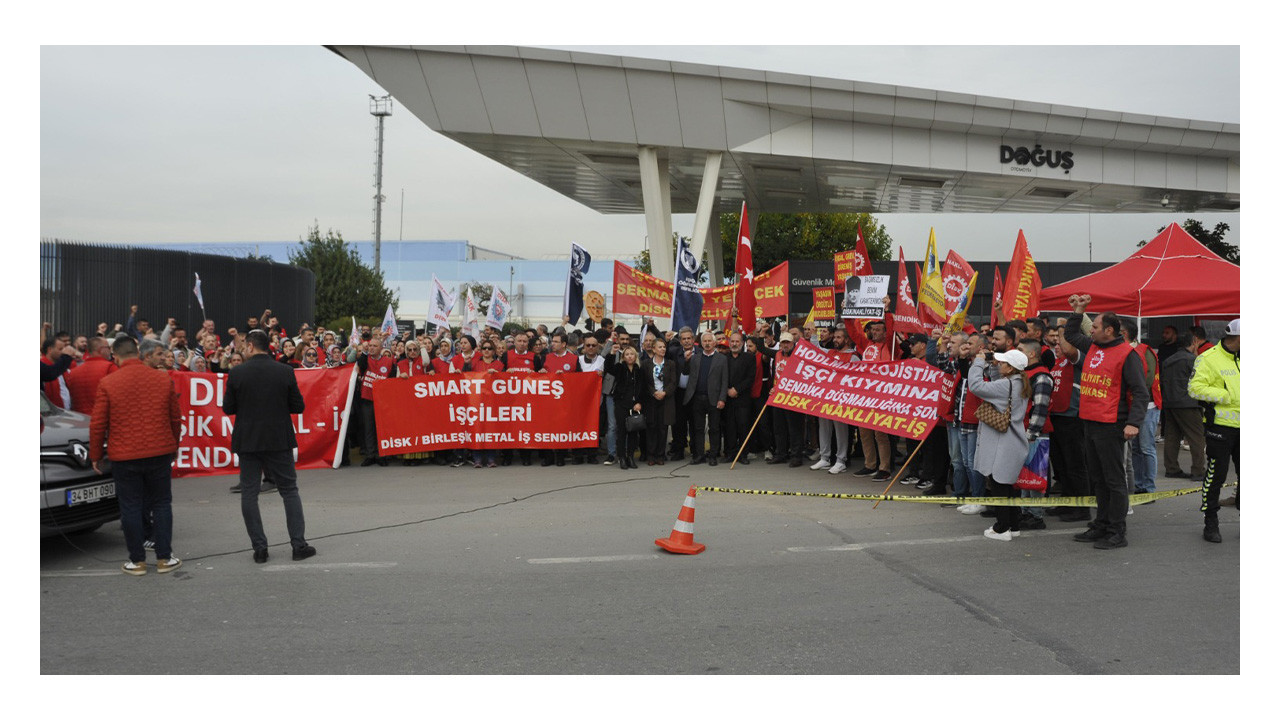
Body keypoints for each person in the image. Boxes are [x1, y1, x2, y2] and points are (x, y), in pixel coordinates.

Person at [88, 335, 183, 575]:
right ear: (138, 353)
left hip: (124, 455)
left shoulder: (108, 383)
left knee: (130, 506)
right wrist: (174, 446)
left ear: (116, 356)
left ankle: (137, 561)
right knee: (162, 503)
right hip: (160, 451)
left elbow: (98, 424)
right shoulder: (163, 380)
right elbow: (175, 418)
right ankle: (164, 558)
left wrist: (96, 455)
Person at [1062, 294, 1149, 550]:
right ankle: (1101, 524)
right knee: (1097, 479)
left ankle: (1116, 530)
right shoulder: (1094, 347)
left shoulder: (1127, 354)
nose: (1092, 330)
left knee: (1113, 480)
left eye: (1096, 327)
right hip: (1090, 421)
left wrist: (1134, 423)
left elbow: (1141, 392)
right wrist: (1079, 310)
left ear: (1109, 330)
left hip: (1112, 424)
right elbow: (1070, 334)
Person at [222, 330, 316, 563]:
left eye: (245, 346)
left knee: (249, 493)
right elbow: (298, 406)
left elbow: (228, 408)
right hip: (278, 438)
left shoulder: (237, 373)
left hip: (249, 439)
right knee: (289, 490)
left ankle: (260, 548)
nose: (243, 349)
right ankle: (298, 545)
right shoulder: (284, 371)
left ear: (252, 346)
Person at [967, 348, 1030, 541]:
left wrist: (978, 362)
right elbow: (995, 385)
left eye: (1003, 363)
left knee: (999, 485)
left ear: (1010, 368)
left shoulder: (1006, 385)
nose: (999, 364)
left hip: (1003, 443)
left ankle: (1002, 528)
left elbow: (976, 386)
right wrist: (994, 366)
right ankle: (1013, 524)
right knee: (1008, 486)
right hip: (1012, 441)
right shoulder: (1017, 383)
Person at [1188, 318, 1239, 544]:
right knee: (1215, 476)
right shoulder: (1208, 358)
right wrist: (1227, 396)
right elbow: (1194, 389)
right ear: (1238, 339)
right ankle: (1211, 522)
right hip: (1221, 427)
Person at [1120, 318, 1161, 497]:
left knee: (1146, 447)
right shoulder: (1123, 351)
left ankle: (1149, 487)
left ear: (1124, 334)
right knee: (1135, 449)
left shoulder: (1144, 351)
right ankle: (1138, 484)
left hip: (1148, 406)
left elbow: (1147, 380)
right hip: (1132, 406)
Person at [1160, 331, 1207, 483]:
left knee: (1172, 437)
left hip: (1169, 402)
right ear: (1193, 342)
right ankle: (1198, 471)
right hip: (1188, 403)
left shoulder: (1168, 360)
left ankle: (1171, 468)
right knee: (1197, 437)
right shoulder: (1193, 360)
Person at [684, 331, 729, 466]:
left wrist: (722, 398)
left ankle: (713, 455)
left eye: (710, 341)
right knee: (698, 428)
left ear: (714, 343)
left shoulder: (722, 359)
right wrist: (686, 361)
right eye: (705, 341)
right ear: (701, 343)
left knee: (714, 428)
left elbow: (724, 380)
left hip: (714, 398)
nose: (707, 343)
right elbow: (686, 372)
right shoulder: (695, 357)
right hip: (697, 398)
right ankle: (699, 455)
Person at [641, 337, 679, 466]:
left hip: (666, 399)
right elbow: (645, 382)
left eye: (664, 347)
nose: (663, 349)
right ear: (654, 349)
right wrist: (653, 392)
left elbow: (674, 382)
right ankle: (651, 455)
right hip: (651, 400)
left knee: (663, 428)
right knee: (651, 427)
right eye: (660, 347)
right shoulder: (646, 364)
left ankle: (660, 455)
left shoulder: (670, 364)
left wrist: (664, 392)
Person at [722, 332, 757, 465]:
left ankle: (743, 454)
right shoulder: (724, 358)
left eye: (737, 342)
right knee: (729, 427)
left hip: (743, 398)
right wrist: (727, 391)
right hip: (727, 398)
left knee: (743, 426)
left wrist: (736, 390)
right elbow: (720, 377)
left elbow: (750, 378)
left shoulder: (749, 358)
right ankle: (730, 453)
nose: (734, 344)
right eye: (732, 341)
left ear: (742, 344)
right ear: (729, 343)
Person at [609, 346, 644, 469]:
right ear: (623, 357)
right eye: (627, 354)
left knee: (633, 432)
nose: (630, 356)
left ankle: (630, 457)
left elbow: (641, 388)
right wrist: (612, 353)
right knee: (622, 431)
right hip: (621, 404)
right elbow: (609, 369)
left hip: (635, 405)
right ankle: (622, 457)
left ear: (635, 356)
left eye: (632, 354)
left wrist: (639, 402)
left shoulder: (639, 370)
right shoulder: (619, 368)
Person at [64, 336, 117, 415]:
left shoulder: (73, 372)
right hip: (102, 418)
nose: (110, 351)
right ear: (101, 350)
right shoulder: (110, 368)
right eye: (108, 348)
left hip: (80, 419)